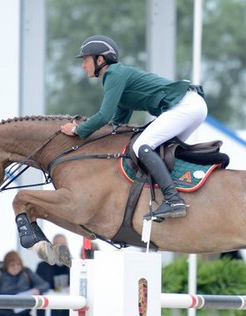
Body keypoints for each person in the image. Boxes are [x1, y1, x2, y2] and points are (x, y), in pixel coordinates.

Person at [60, 35, 208, 220]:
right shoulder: (119, 80)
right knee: (162, 151)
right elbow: (115, 125)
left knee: (141, 146)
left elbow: (103, 115)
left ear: (100, 59)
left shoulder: (113, 74)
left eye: (85, 59)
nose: (83, 65)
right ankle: (177, 194)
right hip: (192, 105)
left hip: (185, 105)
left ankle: (173, 200)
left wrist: (77, 130)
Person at [36, 235, 71, 316]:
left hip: (67, 310)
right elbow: (40, 287)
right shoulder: (42, 266)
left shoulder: (73, 266)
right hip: (49, 310)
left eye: (63, 246)